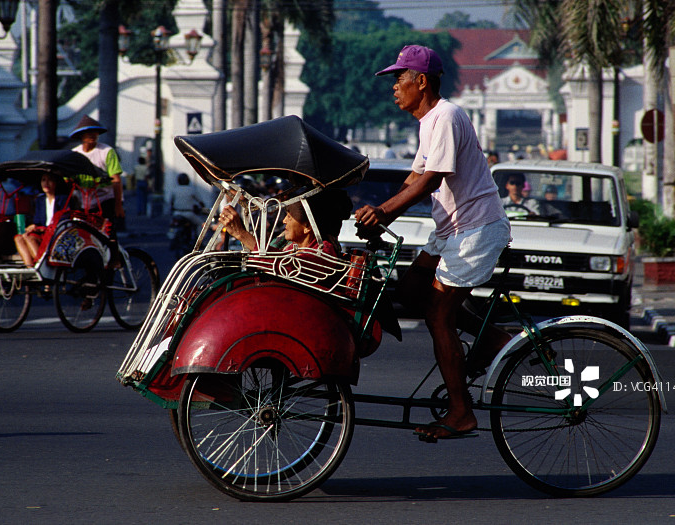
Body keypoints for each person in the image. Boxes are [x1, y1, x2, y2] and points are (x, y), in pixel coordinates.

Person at [355, 44, 511, 442]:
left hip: (473, 230)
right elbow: (414, 177)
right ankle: (494, 339)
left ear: (420, 82)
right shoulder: (429, 122)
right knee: (410, 290)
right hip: (450, 232)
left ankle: (461, 412)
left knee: (439, 316)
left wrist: (385, 212)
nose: (394, 88)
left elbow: (432, 180)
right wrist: (377, 215)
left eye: (399, 80)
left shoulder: (446, 116)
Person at [218, 188, 352, 256]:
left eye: (290, 216)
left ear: (308, 226)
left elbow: (282, 265)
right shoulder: (289, 245)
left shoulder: (323, 251)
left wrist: (241, 234)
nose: (284, 220)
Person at [70, 115, 125, 231]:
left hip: (105, 199)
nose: (93, 135)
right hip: (83, 200)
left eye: (95, 132)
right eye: (88, 132)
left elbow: (116, 180)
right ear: (81, 136)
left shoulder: (106, 151)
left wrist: (118, 206)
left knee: (108, 233)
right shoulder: (74, 154)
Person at [13, 172, 70, 267]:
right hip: (42, 232)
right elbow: (37, 221)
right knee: (18, 238)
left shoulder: (63, 199)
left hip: (55, 233)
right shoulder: (40, 200)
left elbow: (64, 219)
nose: (46, 183)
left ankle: (41, 265)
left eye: (50, 180)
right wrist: (33, 227)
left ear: (56, 183)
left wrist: (43, 228)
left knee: (29, 238)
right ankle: (29, 267)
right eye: (43, 180)